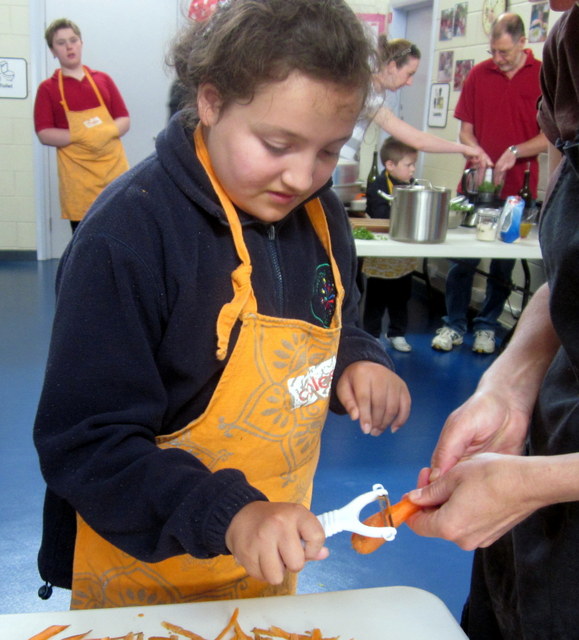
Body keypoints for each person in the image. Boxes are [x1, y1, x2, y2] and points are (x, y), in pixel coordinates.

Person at [33, 0, 411, 610]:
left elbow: (335, 320)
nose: (301, 177)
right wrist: (231, 515)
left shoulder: (321, 216)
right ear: (210, 101)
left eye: (329, 152)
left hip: (267, 558)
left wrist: (357, 358)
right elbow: (87, 443)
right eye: (278, 144)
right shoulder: (127, 237)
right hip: (143, 571)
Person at [406, 1, 579, 637]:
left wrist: (542, 483)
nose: (554, 8)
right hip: (541, 468)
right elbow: (569, 281)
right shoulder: (568, 45)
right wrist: (510, 382)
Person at [431, 13, 548, 355]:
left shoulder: (543, 75)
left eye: (504, 52)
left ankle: (487, 326)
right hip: (475, 185)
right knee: (462, 261)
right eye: (493, 51)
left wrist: (515, 151)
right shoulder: (479, 74)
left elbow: (549, 137)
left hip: (517, 190)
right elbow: (465, 131)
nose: (497, 58)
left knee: (502, 263)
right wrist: (476, 151)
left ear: (523, 43)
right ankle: (454, 324)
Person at [33, 18, 130, 233]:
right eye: (61, 43)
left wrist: (106, 131)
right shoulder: (48, 89)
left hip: (114, 175)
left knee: (121, 236)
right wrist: (80, 136)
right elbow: (44, 133)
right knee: (85, 241)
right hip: (79, 183)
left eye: (73, 40)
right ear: (52, 50)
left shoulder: (103, 80)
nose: (69, 46)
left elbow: (124, 118)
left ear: (81, 43)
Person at [340, 37, 488, 164]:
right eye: (409, 74)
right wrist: (464, 148)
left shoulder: (373, 92)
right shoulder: (369, 93)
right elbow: (418, 140)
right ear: (392, 66)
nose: (410, 82)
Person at [362, 137, 419, 352]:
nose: (413, 169)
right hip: (382, 254)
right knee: (376, 298)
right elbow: (380, 215)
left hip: (403, 255)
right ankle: (372, 335)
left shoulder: (413, 186)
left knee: (401, 297)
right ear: (390, 165)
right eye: (409, 165)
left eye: (414, 165)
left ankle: (397, 333)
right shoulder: (377, 186)